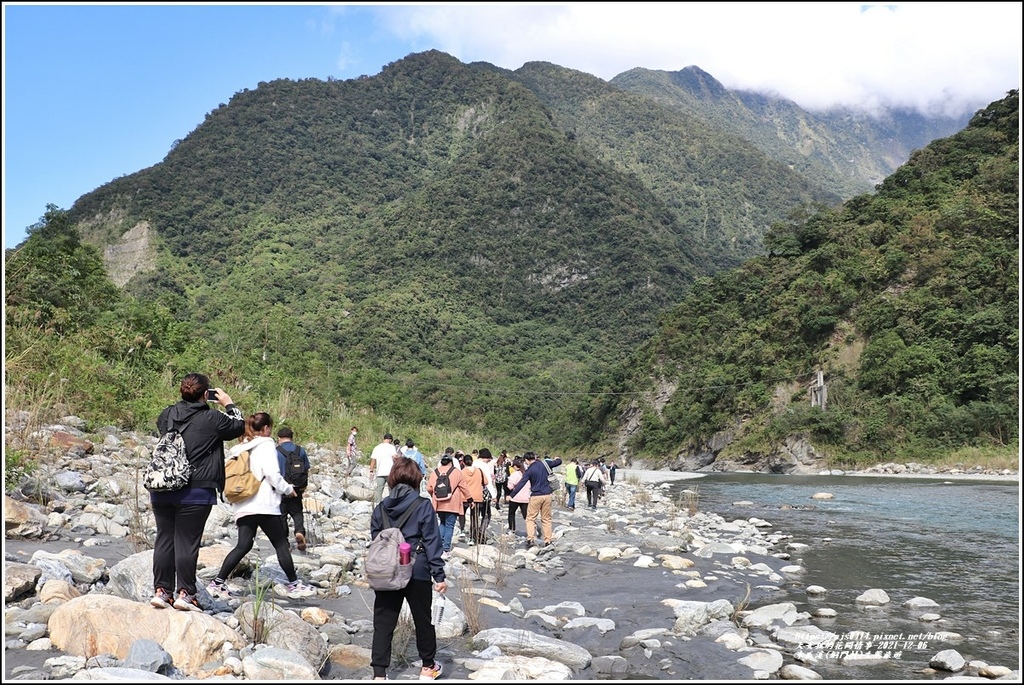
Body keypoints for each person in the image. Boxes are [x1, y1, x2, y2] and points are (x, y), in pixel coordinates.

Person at [151, 373, 245, 612]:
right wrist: (228, 402)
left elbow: (164, 431)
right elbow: (238, 426)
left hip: (162, 486)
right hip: (195, 490)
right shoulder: (212, 417)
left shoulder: (167, 413)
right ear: (206, 395)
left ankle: (162, 592)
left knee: (164, 539)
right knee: (186, 542)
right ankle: (186, 593)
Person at [207, 412, 317, 601]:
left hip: (243, 503)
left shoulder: (240, 447)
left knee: (243, 545)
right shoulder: (266, 445)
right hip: (264, 504)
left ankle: (217, 583)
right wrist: (288, 489)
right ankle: (294, 584)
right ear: (266, 428)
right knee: (281, 544)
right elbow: (272, 474)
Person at [370, 458, 448, 681]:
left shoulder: (381, 507)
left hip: (387, 571)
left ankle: (379, 674)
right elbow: (433, 541)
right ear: (416, 479)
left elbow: (376, 538)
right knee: (423, 619)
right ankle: (427, 668)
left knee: (383, 622)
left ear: (392, 479)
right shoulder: (423, 505)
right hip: (417, 570)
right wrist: (439, 575)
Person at [506, 451, 562, 547]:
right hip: (547, 495)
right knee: (546, 519)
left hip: (536, 496)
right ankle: (548, 540)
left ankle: (531, 539)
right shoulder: (545, 464)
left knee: (530, 519)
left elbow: (521, 483)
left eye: (525, 461)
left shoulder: (530, 470)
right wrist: (558, 458)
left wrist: (512, 495)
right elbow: (558, 462)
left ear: (527, 460)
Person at [427, 452, 468, 559]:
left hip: (439, 502)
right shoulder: (457, 472)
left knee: (442, 523)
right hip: (452, 503)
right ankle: (446, 550)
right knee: (450, 525)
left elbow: (429, 488)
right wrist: (470, 499)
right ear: (451, 462)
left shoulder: (435, 472)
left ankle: (439, 548)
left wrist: (434, 495)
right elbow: (464, 487)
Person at [276, 426, 311, 551]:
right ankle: (299, 532)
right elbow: (306, 468)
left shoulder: (277, 451)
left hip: (282, 488)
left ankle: (285, 542)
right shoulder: (300, 450)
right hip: (297, 487)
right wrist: (303, 485)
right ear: (292, 437)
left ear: (279, 438)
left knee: (282, 515)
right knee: (297, 513)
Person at [460, 454, 490, 546]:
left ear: (463, 462)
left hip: (464, 497)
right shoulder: (479, 471)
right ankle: (473, 537)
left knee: (462, 514)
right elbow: (486, 482)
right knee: (474, 517)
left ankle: (462, 530)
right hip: (477, 497)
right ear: (472, 462)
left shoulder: (461, 472)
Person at [369, 433, 398, 506]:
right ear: (390, 440)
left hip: (380, 472)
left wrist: (371, 471)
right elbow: (395, 457)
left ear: (384, 439)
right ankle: (392, 505)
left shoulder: (377, 447)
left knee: (379, 490)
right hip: (390, 472)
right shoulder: (391, 447)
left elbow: (373, 460)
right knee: (392, 490)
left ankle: (377, 506)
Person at [505, 458, 530, 534]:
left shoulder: (515, 474)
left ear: (516, 466)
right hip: (526, 498)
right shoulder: (527, 474)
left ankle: (512, 529)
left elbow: (510, 486)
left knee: (511, 514)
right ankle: (533, 529)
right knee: (526, 516)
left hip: (515, 498)